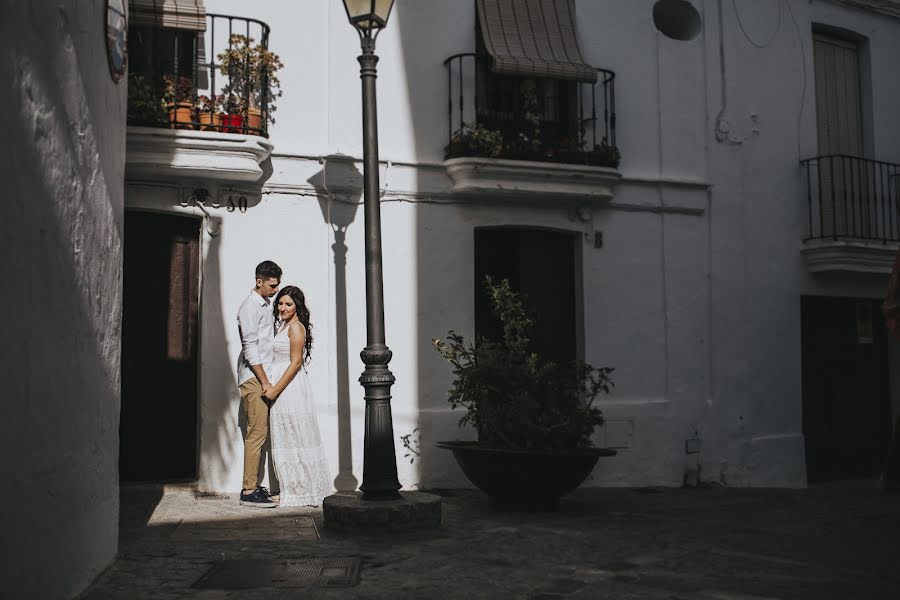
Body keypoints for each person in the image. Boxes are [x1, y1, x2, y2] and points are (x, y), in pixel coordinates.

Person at [265, 285, 331, 506]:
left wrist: (275, 389)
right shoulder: (284, 326)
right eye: (280, 303)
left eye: (288, 304)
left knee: (295, 433)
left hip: (290, 386)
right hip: (282, 383)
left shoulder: (295, 328)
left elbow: (295, 363)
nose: (282, 307)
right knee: (287, 434)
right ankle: (294, 487)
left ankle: (305, 490)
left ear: (297, 307)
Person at [236, 260, 282, 508]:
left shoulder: (266, 304)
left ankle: (253, 486)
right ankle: (248, 489)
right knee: (257, 433)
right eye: (272, 285)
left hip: (262, 375)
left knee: (262, 432)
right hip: (254, 377)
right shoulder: (248, 308)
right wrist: (265, 381)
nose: (275, 290)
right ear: (259, 282)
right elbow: (250, 348)